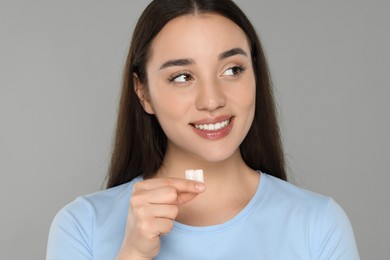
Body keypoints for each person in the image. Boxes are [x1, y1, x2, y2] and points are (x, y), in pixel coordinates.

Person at [46, 0, 360, 259]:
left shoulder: (318, 224)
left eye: (232, 69)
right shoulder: (81, 225)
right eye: (182, 76)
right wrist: (132, 254)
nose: (212, 100)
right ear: (143, 92)